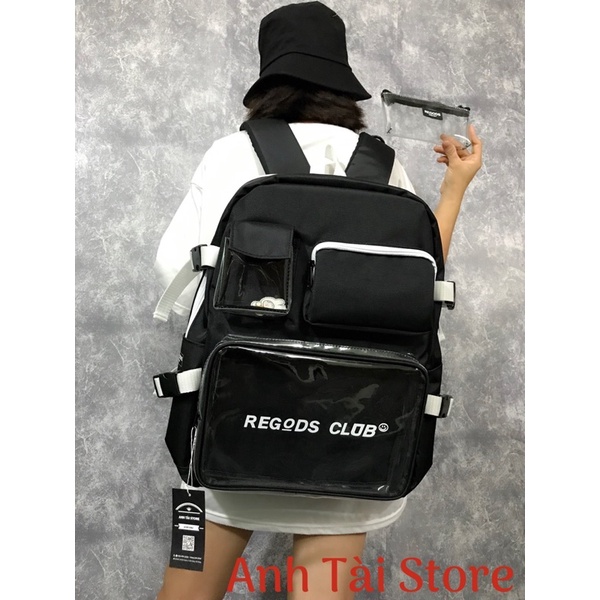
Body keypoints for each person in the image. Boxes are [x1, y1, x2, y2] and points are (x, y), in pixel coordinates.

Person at [155, 2, 482, 599]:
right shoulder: (383, 164)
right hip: (352, 439)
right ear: (343, 84)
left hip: (228, 434)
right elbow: (421, 277)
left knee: (186, 593)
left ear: (268, 82)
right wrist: (454, 187)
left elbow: (173, 273)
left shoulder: (229, 154)